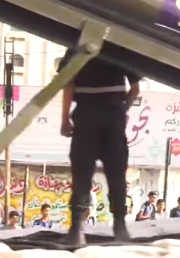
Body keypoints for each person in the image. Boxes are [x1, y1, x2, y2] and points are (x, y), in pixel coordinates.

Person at [58, 50, 141, 245]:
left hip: (86, 117)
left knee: (82, 175)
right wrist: (122, 110)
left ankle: (77, 230)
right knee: (117, 175)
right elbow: (135, 89)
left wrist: (64, 119)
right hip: (114, 119)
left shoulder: (79, 48)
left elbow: (68, 86)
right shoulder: (123, 49)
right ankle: (120, 228)